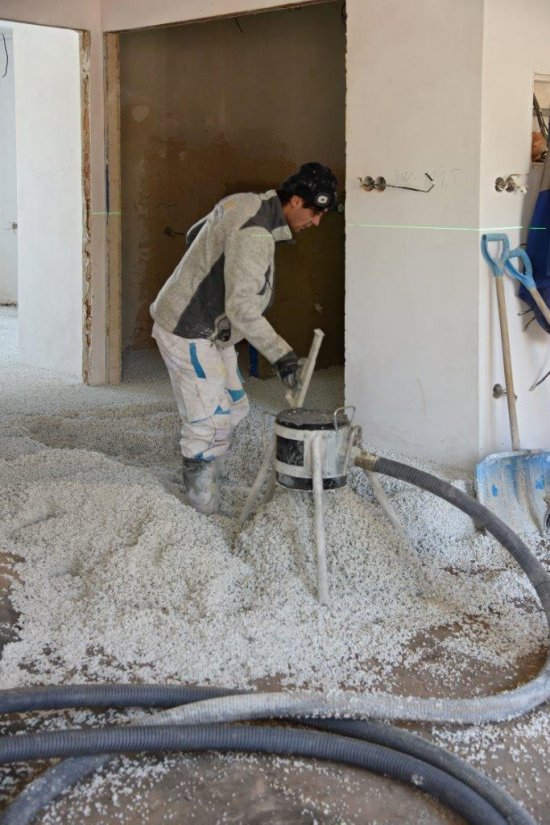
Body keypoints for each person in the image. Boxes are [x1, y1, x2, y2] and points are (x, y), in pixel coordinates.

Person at [150, 162, 338, 514]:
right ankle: (199, 506)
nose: (315, 222)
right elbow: (241, 308)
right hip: (189, 331)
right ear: (296, 201)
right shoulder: (256, 235)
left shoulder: (245, 201)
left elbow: (195, 234)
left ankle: (212, 478)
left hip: (214, 330)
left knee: (235, 407)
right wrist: (282, 357)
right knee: (207, 421)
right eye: (315, 212)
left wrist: (207, 270)